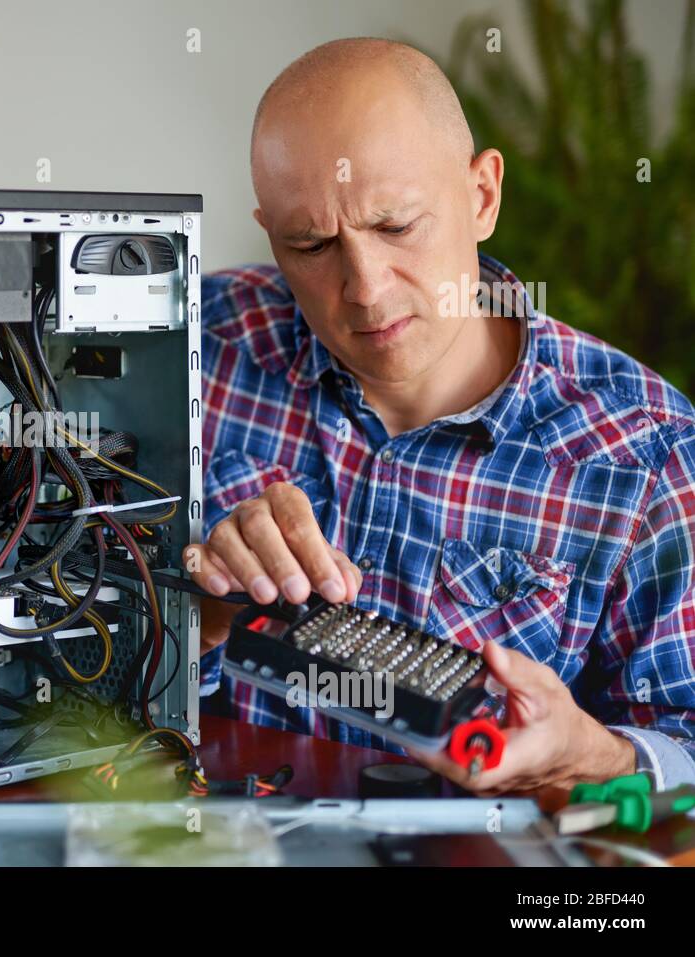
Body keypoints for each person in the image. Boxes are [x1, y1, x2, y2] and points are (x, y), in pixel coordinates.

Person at [183, 37, 695, 795]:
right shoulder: (195, 349)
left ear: (483, 195)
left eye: (396, 227)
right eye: (312, 243)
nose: (365, 288)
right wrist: (200, 622)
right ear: (271, 234)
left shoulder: (646, 451)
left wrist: (588, 755)